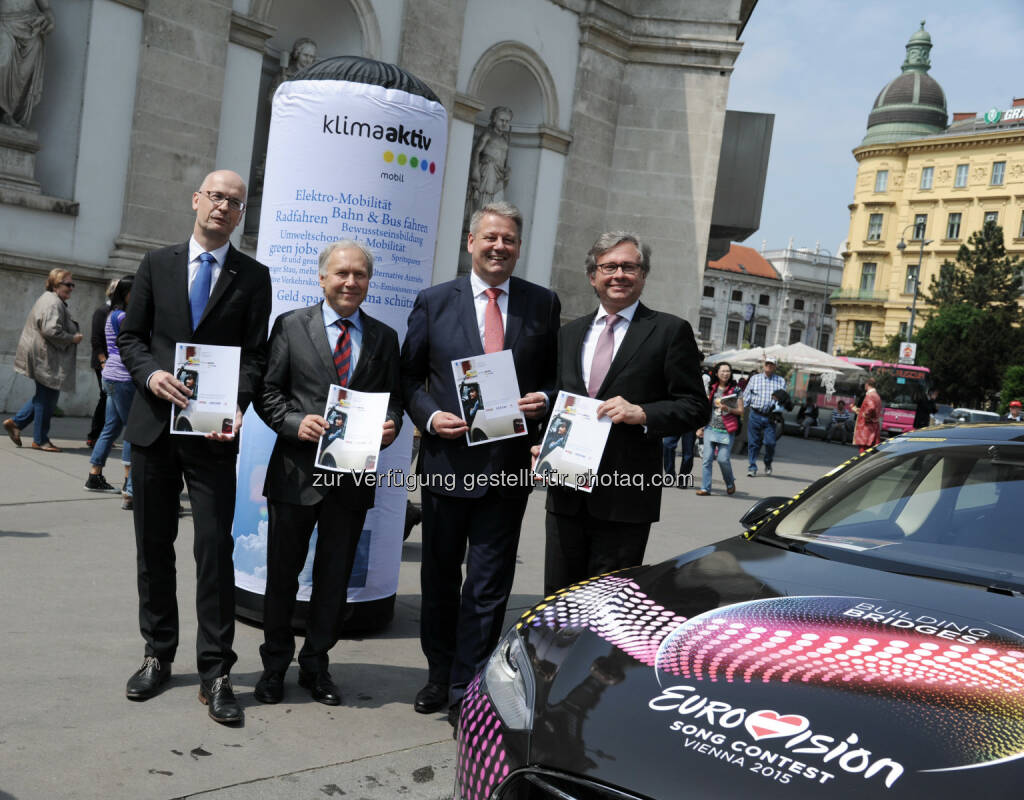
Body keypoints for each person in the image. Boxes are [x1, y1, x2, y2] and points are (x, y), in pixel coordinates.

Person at [118, 169, 272, 725]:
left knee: (213, 550)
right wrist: (152, 376)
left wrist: (239, 403)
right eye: (216, 197)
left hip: (212, 436)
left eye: (234, 202)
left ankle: (216, 670)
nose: (223, 207)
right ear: (196, 200)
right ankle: (158, 655)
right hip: (155, 427)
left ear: (240, 213)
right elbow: (131, 337)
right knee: (153, 547)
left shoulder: (254, 277)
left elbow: (255, 355)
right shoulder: (157, 264)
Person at [401, 201, 559, 724]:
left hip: (508, 468)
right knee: (440, 578)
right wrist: (427, 414)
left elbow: (558, 377)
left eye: (509, 240)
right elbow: (407, 379)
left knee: (489, 586)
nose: (498, 247)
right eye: (490, 237)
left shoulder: (542, 304)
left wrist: (543, 398)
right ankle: (437, 674)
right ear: (470, 242)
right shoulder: (433, 302)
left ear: (518, 246)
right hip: (448, 464)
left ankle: (469, 685)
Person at [253, 240, 402, 706]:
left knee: (334, 579)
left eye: (359, 275)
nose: (350, 282)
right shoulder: (292, 326)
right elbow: (267, 392)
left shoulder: (383, 338)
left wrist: (391, 425)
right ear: (321, 278)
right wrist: (297, 424)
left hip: (351, 478)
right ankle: (275, 665)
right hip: (295, 474)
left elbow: (391, 398)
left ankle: (316, 663)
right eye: (341, 274)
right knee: (282, 575)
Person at [542, 231, 708, 594]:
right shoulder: (568, 334)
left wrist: (643, 413)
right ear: (593, 276)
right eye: (609, 266)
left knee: (607, 609)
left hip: (625, 498)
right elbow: (560, 402)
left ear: (643, 275)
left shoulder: (669, 331)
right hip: (567, 493)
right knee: (556, 603)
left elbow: (696, 407)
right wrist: (543, 443)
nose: (619, 274)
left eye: (629, 266)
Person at [5, 268, 82, 452]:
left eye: (73, 284)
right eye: (68, 284)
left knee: (45, 396)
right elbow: (51, 330)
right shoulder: (53, 302)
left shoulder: (52, 300)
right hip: (45, 357)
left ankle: (16, 423)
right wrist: (71, 338)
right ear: (56, 284)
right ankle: (40, 439)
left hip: (44, 355)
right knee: (47, 399)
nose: (71, 288)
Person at [84, 275, 136, 508]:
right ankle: (129, 485)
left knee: (112, 426)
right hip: (124, 377)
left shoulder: (111, 315)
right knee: (134, 430)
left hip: (111, 376)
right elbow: (131, 347)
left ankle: (95, 474)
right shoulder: (124, 316)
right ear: (127, 294)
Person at [0, 0, 55, 127]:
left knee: (24, 71)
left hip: (29, 27)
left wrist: (48, 18)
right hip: (4, 24)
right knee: (4, 55)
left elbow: (46, 8)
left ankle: (8, 112)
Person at [696, 361, 742, 496]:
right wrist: (701, 427)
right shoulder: (712, 388)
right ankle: (705, 488)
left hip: (727, 430)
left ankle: (729, 483)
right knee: (707, 459)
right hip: (710, 428)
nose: (725, 373)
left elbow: (740, 410)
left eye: (728, 371)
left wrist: (727, 408)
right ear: (717, 373)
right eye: (722, 371)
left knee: (723, 459)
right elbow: (707, 409)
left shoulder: (736, 390)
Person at [86, 278, 118, 447]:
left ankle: (104, 434)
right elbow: (96, 339)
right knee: (106, 396)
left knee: (110, 398)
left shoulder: (119, 311)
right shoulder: (102, 311)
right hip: (103, 362)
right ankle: (94, 435)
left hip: (114, 362)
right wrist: (103, 362)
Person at [742, 355, 785, 477]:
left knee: (770, 442)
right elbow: (746, 396)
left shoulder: (780, 381)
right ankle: (752, 466)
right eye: (767, 363)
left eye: (771, 364)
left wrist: (778, 410)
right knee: (753, 443)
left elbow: (783, 399)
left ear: (775, 367)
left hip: (770, 417)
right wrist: (740, 410)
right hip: (755, 414)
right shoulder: (755, 378)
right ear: (764, 365)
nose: (769, 366)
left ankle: (767, 463)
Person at [853, 378, 882, 453]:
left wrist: (865, 417)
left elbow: (870, 408)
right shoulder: (876, 395)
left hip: (866, 427)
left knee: (863, 449)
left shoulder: (870, 395)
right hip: (873, 426)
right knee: (868, 449)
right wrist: (859, 410)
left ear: (867, 385)